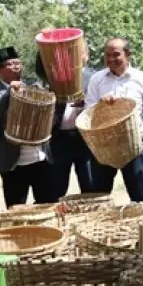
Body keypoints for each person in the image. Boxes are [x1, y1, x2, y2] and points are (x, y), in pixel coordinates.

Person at [0, 47, 57, 208]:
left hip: (40, 158)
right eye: (10, 64)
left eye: (18, 63)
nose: (16, 66)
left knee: (48, 205)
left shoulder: (34, 87)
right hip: (12, 163)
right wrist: (10, 92)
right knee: (16, 208)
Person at [84, 38, 143, 202]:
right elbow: (88, 111)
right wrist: (100, 106)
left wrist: (142, 135)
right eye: (107, 55)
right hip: (104, 147)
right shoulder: (97, 79)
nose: (110, 59)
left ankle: (142, 226)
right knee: (100, 198)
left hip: (133, 148)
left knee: (140, 198)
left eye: (116, 54)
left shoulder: (142, 78)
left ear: (128, 54)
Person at [37, 39, 96, 199]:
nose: (74, 56)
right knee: (55, 187)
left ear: (86, 55)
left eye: (79, 52)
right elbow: (39, 67)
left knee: (90, 186)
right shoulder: (56, 76)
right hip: (59, 138)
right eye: (71, 52)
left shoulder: (95, 78)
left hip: (85, 139)